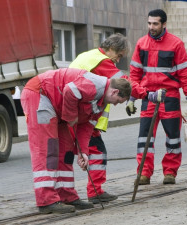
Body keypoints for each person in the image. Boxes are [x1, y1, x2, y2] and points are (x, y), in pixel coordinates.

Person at [20, 68, 131, 213]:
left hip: (58, 108)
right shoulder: (95, 85)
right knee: (48, 149)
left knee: (66, 151)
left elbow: (86, 127)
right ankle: (46, 200)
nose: (116, 105)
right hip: (41, 95)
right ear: (115, 92)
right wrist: (71, 117)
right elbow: (69, 91)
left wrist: (82, 152)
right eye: (118, 101)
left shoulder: (102, 103)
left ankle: (67, 195)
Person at [127, 9, 187, 185]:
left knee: (172, 137)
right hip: (148, 97)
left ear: (164, 24)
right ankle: (144, 173)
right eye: (149, 23)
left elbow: (185, 73)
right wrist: (131, 97)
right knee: (145, 138)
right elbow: (134, 74)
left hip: (169, 97)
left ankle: (170, 173)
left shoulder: (176, 44)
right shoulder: (141, 44)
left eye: (155, 23)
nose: (151, 27)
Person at [69, 33, 131, 204]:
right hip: (83, 117)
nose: (117, 60)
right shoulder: (102, 61)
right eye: (118, 56)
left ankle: (88, 191)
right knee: (97, 152)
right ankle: (95, 191)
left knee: (78, 153)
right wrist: (147, 94)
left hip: (76, 113)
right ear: (111, 49)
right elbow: (123, 82)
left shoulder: (87, 55)